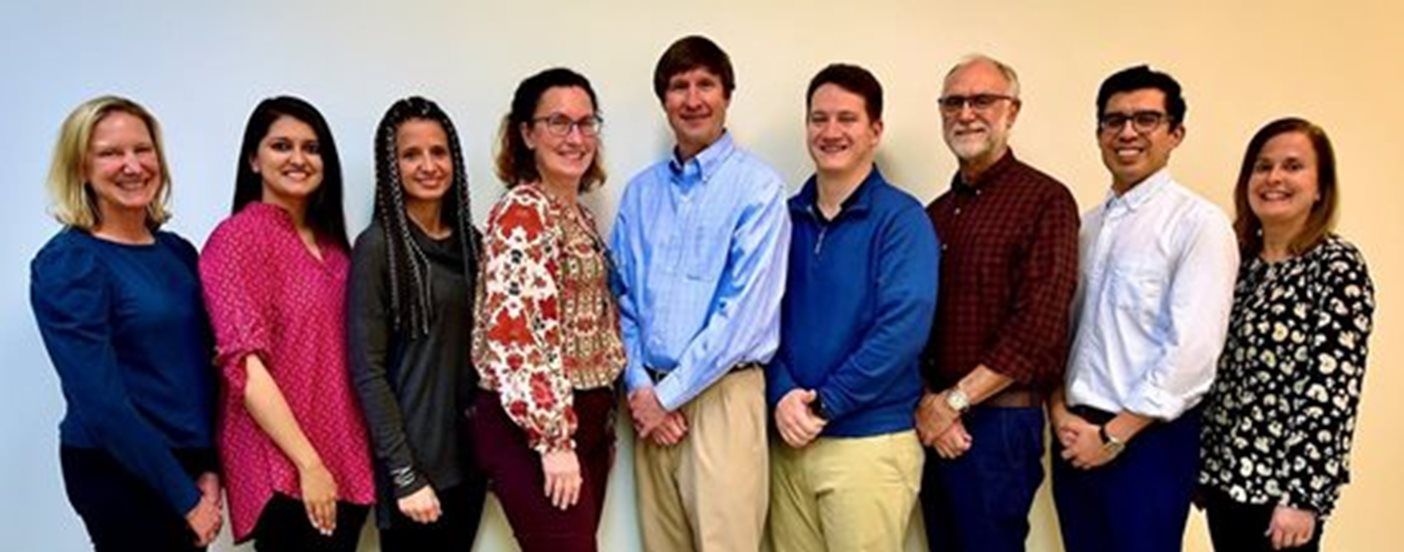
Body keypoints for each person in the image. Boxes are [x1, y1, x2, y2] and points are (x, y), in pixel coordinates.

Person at [610, 34, 791, 552]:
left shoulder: (757, 188)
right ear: (664, 100)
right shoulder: (640, 192)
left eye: (705, 84)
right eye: (678, 86)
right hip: (649, 400)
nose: (692, 99)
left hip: (723, 402)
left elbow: (741, 316)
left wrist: (664, 399)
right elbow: (620, 300)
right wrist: (642, 387)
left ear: (727, 95)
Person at [1049, 65, 1239, 552]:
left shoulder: (1198, 225)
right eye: (1114, 121)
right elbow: (1058, 330)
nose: (1127, 132)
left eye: (1146, 119)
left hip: (1147, 442)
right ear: (1098, 134)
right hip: (1076, 432)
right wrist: (1059, 412)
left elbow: (1192, 354)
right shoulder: (1087, 227)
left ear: (1175, 133)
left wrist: (1113, 436)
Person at [31, 96, 222, 551]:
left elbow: (201, 369)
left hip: (188, 462)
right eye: (111, 153)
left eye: (142, 149)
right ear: (80, 168)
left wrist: (209, 466)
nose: (132, 165)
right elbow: (100, 404)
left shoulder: (177, 253)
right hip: (118, 469)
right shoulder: (70, 263)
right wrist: (185, 500)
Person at [767, 63, 937, 552]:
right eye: (819, 119)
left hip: (868, 447)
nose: (831, 131)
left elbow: (902, 330)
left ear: (875, 131)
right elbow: (759, 321)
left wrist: (826, 403)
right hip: (790, 441)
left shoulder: (901, 220)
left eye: (847, 119)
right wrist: (782, 395)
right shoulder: (784, 218)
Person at [916, 55, 1080, 552]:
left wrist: (953, 402)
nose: (966, 113)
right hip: (934, 421)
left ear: (1013, 111)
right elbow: (915, 323)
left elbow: (1038, 328)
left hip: (1001, 425)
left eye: (983, 100)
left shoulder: (1046, 201)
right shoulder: (934, 214)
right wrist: (931, 404)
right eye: (954, 102)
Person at [200, 96, 375, 550]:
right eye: (281, 146)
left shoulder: (336, 248)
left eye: (311, 148)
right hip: (285, 463)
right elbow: (245, 369)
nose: (298, 159)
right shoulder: (235, 239)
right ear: (253, 160)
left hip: (346, 457)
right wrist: (309, 465)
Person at [1198, 117, 1375, 552]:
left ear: (1319, 187)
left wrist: (1303, 499)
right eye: (1262, 166)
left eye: (1293, 166)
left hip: (1283, 494)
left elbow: (1332, 392)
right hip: (1224, 480)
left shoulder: (1336, 266)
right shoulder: (1238, 263)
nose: (1274, 177)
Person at [471, 67, 625, 552]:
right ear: (526, 133)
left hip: (587, 416)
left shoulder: (577, 214)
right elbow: (516, 337)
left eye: (586, 123)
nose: (575, 137)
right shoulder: (524, 211)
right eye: (558, 122)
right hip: (534, 425)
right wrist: (554, 439)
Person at [348, 96, 487, 551]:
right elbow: (368, 370)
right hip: (414, 468)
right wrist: (405, 476)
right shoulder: (378, 248)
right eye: (411, 155)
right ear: (391, 167)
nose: (428, 165)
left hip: (469, 459)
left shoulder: (473, 244)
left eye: (438, 151)